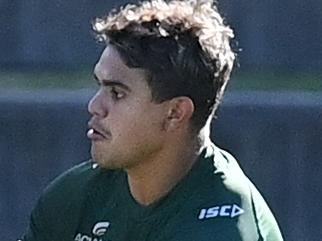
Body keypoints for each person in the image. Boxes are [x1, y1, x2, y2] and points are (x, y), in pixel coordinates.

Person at [21, 0, 283, 240]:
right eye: (99, 87)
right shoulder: (72, 200)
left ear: (175, 113)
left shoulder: (223, 230)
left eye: (117, 93)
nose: (94, 106)